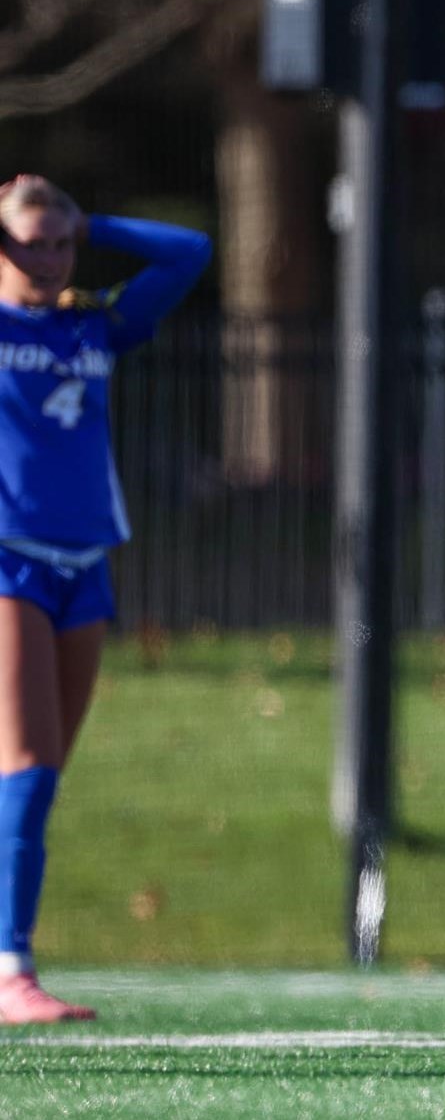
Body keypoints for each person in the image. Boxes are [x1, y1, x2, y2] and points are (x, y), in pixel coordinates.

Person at [0, 175, 210, 1023]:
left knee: (36, 779)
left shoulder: (96, 321)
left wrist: (95, 220)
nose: (47, 258)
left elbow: (189, 254)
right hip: (8, 558)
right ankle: (11, 968)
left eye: (60, 242)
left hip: (84, 562)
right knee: (28, 764)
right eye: (28, 242)